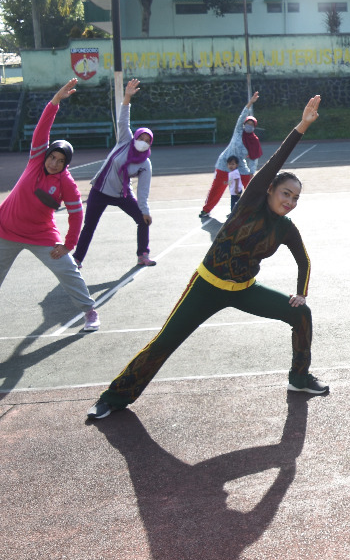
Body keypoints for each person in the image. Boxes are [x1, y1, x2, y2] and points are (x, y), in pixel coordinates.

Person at [86, 96, 329, 421]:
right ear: (270, 190)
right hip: (205, 286)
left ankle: (299, 378)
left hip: (244, 289)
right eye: (286, 193)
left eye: (296, 198)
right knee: (164, 342)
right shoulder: (250, 201)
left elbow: (304, 261)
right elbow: (275, 160)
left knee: (301, 315)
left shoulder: (286, 228)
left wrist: (301, 293)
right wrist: (302, 126)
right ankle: (114, 397)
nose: (291, 201)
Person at [0, 79, 98, 335]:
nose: (54, 162)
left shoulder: (67, 184)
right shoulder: (35, 159)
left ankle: (89, 311)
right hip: (3, 229)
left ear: (66, 164)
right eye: (52, 157)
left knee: (68, 270)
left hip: (41, 235)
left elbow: (77, 215)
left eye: (60, 160)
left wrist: (68, 244)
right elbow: (42, 129)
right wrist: (55, 102)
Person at [74, 77, 157, 269]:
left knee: (143, 220)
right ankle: (77, 259)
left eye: (147, 140)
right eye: (141, 137)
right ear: (135, 136)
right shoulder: (125, 141)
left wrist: (145, 211)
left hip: (122, 195)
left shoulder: (145, 164)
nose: (143, 142)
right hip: (100, 191)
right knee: (89, 226)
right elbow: (123, 119)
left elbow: (143, 191)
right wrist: (127, 97)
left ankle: (143, 255)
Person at [200, 92, 261, 220]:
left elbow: (254, 158)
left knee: (251, 186)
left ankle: (256, 209)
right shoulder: (238, 131)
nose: (248, 126)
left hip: (240, 166)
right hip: (224, 164)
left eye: (251, 125)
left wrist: (251, 172)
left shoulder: (253, 141)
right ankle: (206, 210)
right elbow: (242, 115)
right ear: (243, 125)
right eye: (247, 124)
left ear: (254, 127)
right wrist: (250, 103)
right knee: (217, 188)